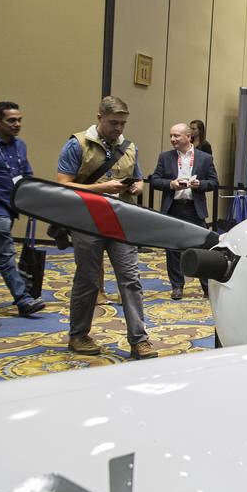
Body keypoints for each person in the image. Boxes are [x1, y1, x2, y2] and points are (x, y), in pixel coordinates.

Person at [57, 96, 157, 359]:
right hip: (86, 222)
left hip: (121, 223)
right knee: (88, 281)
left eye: (123, 123)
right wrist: (102, 188)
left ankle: (139, 340)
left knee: (131, 280)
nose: (119, 129)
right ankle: (78, 336)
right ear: (100, 118)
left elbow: (138, 178)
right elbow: (62, 184)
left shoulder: (129, 147)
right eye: (114, 123)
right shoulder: (77, 144)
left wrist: (138, 186)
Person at [0, 101, 44, 315]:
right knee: (4, 253)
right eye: (11, 120)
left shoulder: (20, 145)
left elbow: (26, 176)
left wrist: (32, 203)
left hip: (12, 206)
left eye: (19, 120)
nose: (17, 124)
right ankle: (23, 300)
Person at [150, 123, 219, 299]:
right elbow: (155, 180)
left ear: (188, 137)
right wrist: (171, 184)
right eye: (171, 136)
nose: (172, 139)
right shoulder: (165, 157)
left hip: (194, 208)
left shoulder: (204, 158)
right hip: (173, 207)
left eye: (177, 136)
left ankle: (206, 287)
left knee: (203, 247)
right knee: (172, 249)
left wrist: (200, 185)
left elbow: (214, 182)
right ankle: (177, 286)